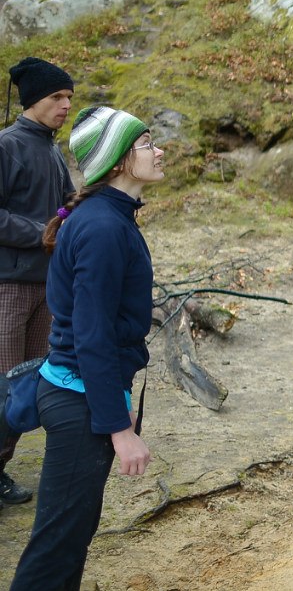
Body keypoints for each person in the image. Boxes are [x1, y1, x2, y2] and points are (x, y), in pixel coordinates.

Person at [10, 105, 160, 589]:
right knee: (56, 547)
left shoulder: (108, 217)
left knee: (68, 539)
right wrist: (118, 428)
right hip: (77, 403)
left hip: (83, 393)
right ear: (118, 162)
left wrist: (115, 402)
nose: (158, 151)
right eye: (145, 144)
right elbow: (92, 336)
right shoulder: (101, 228)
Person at [0, 57, 76, 506]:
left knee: (29, 387)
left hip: (47, 288)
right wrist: (42, 232)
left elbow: (67, 204)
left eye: (68, 97)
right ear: (33, 101)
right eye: (57, 97)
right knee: (5, 387)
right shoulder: (7, 146)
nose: (65, 105)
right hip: (8, 288)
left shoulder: (51, 148)